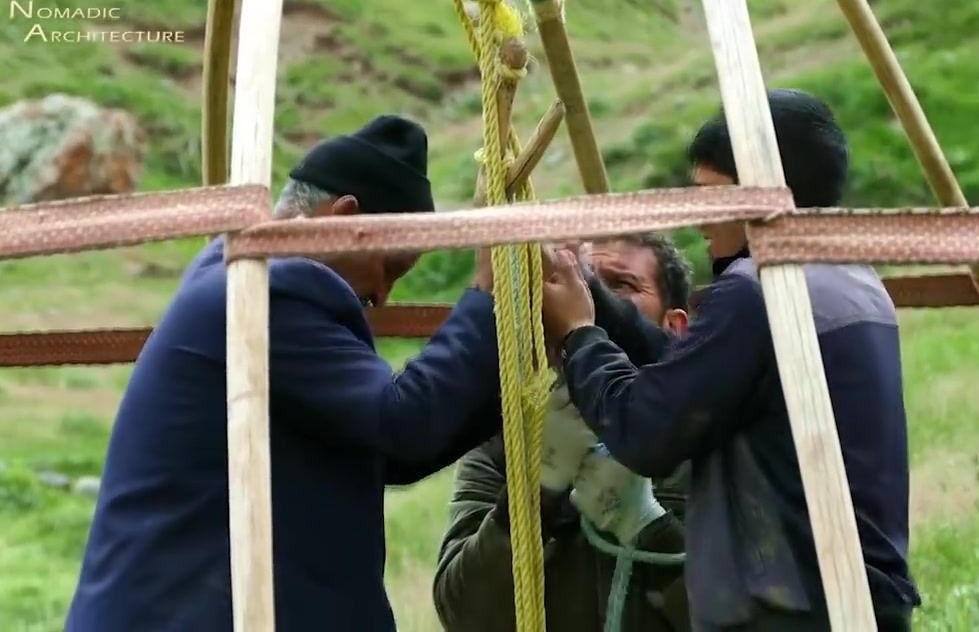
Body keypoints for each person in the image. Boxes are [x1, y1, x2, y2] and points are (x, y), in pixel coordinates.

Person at [65, 116, 505, 632]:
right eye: (390, 267)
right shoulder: (272, 289)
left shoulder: (237, 276)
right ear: (344, 218)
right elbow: (402, 423)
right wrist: (487, 295)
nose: (383, 297)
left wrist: (512, 387)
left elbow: (385, 449)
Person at [540, 89, 921, 631]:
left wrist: (579, 333)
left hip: (788, 606)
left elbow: (645, 428)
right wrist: (596, 296)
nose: (700, 220)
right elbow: (699, 376)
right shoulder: (855, 282)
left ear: (759, 194)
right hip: (858, 598)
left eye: (707, 199)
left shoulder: (757, 291)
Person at [433, 233, 697, 632]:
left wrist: (648, 529)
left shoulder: (705, 436)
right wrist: (537, 490)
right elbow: (462, 614)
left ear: (674, 327)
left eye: (620, 285)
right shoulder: (504, 437)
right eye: (576, 280)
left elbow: (753, 612)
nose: (584, 302)